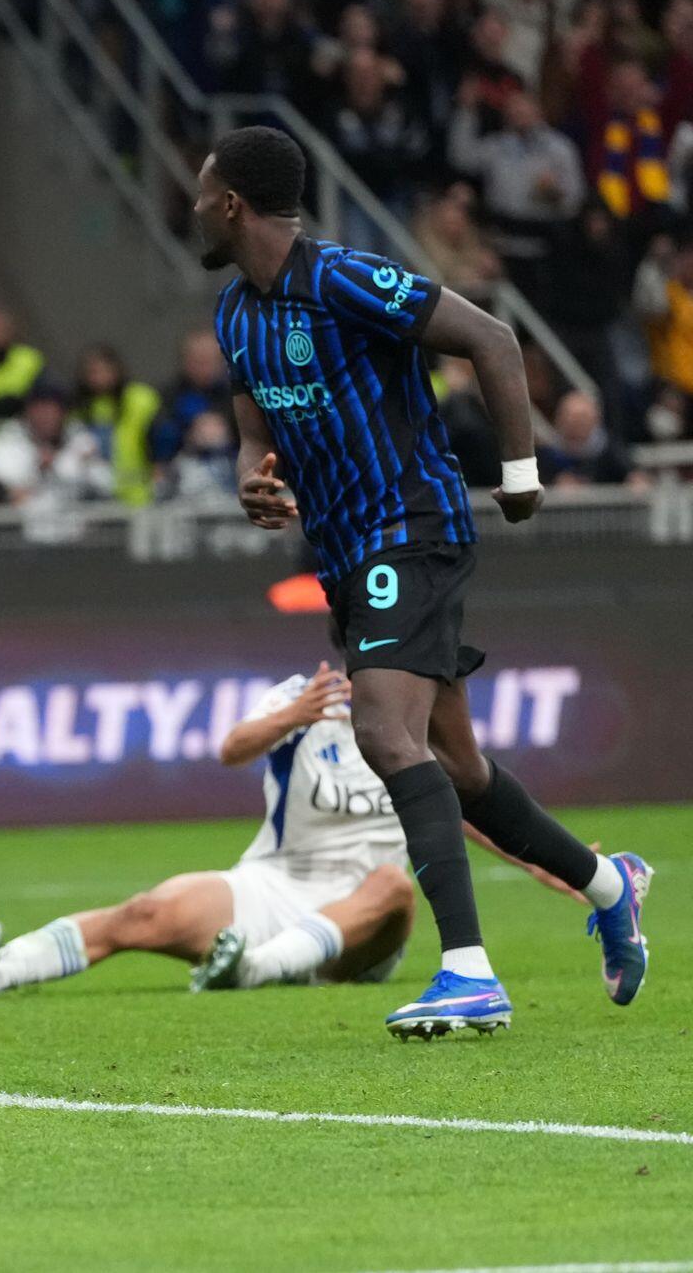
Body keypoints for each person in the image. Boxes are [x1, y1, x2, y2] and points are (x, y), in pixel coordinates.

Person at [193, 126, 651, 1040]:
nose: (195, 207)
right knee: (457, 766)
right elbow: (253, 432)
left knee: (381, 731)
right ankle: (611, 886)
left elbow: (491, 337)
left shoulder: (345, 279)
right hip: (344, 554)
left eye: (203, 193)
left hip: (412, 527)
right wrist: (253, 479)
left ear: (232, 204)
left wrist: (520, 474)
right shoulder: (235, 313)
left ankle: (469, 972)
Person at [0, 665, 418, 1000]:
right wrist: (293, 716)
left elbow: (455, 800)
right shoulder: (301, 697)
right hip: (275, 883)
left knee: (393, 884)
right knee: (144, 912)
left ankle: (253, 968)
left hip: (363, 918)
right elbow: (233, 750)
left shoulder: (422, 711)